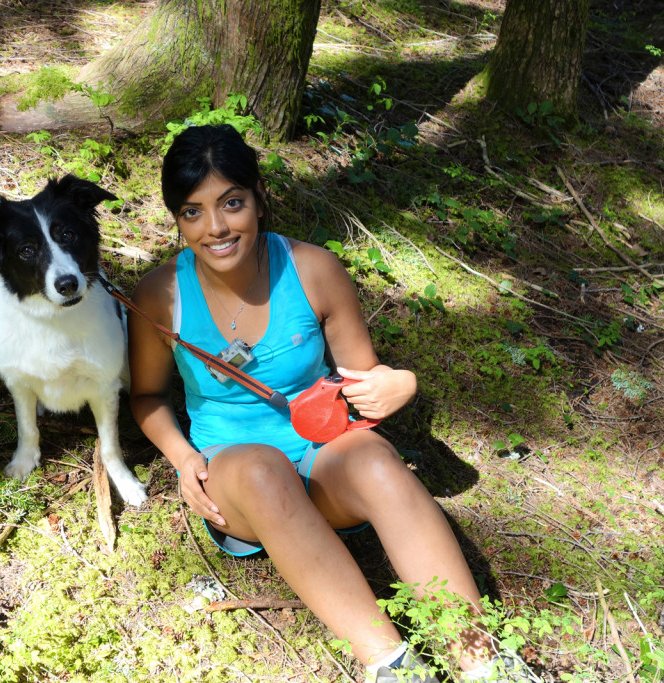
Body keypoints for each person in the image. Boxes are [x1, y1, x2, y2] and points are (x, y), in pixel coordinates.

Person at [128, 124, 540, 683]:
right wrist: (183, 459)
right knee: (263, 468)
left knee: (375, 459)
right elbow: (148, 396)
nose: (216, 227)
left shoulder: (313, 269)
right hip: (240, 481)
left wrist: (399, 383)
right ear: (176, 219)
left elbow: (362, 379)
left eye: (231, 203)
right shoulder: (161, 295)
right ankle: (391, 666)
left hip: (325, 462)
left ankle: (485, 662)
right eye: (193, 212)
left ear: (258, 198)